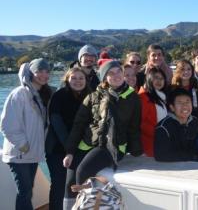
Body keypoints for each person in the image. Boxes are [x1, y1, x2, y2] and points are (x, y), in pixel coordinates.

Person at [62, 60, 142, 209]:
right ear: (105, 77)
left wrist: (137, 150)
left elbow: (134, 127)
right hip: (88, 142)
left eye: (118, 71)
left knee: (83, 171)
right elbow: (78, 125)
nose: (116, 75)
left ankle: (85, 206)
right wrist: (70, 152)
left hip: (112, 145)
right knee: (69, 180)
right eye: (111, 73)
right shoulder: (93, 96)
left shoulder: (133, 98)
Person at [0, 58, 53, 210]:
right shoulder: (19, 94)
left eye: (46, 71)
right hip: (20, 154)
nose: (44, 75)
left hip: (31, 153)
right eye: (39, 71)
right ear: (31, 73)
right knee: (25, 192)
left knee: (27, 191)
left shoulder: (40, 95)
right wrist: (23, 145)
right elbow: (7, 125)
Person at [46, 67, 91, 210]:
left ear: (86, 80)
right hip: (58, 148)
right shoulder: (59, 96)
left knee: (76, 185)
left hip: (80, 148)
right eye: (74, 78)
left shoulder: (90, 96)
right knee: (60, 184)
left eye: (81, 78)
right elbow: (57, 123)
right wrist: (69, 148)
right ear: (67, 79)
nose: (77, 81)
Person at [171, 60, 198, 162]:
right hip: (178, 133)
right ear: (178, 71)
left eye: (189, 69)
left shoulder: (197, 88)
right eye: (183, 69)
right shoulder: (172, 89)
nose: (186, 72)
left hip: (196, 131)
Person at [154, 88, 198, 162]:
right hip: (172, 168)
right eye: (180, 103)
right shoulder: (163, 127)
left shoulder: (194, 121)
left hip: (192, 164)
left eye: (187, 102)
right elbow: (161, 156)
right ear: (172, 107)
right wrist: (191, 157)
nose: (185, 106)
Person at [138, 68, 168, 157]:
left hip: (160, 144)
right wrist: (159, 133)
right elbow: (140, 123)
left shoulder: (161, 97)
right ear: (149, 78)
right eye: (156, 78)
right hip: (149, 147)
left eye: (161, 78)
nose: (159, 81)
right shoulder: (143, 97)